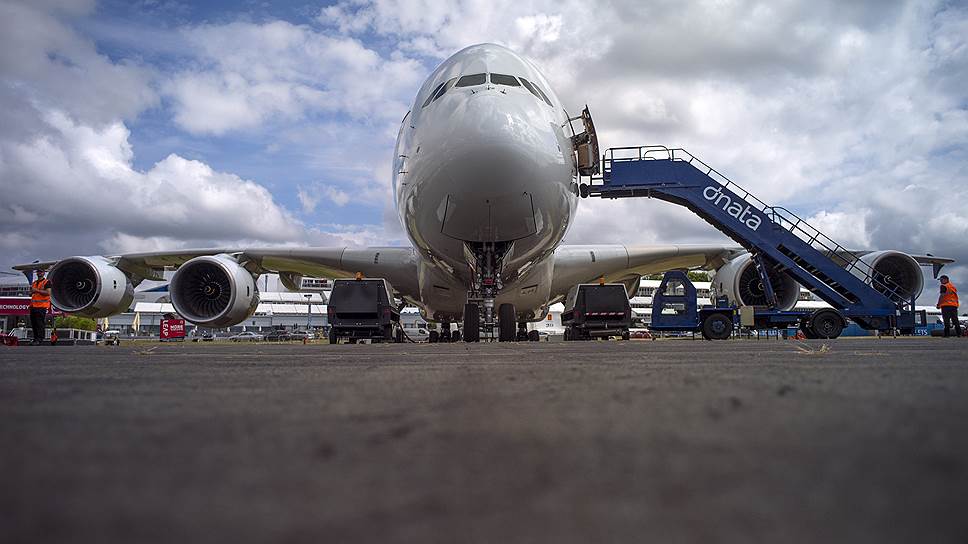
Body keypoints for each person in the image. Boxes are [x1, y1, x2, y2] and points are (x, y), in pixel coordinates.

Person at [30, 269, 51, 345]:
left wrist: (36, 290)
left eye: (41, 272)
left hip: (42, 306)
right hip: (33, 306)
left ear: (44, 273)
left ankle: (40, 339)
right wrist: (31, 292)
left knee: (39, 323)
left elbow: (48, 293)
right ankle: (35, 339)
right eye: (38, 272)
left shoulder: (47, 282)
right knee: (34, 323)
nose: (39, 273)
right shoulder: (34, 283)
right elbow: (32, 293)